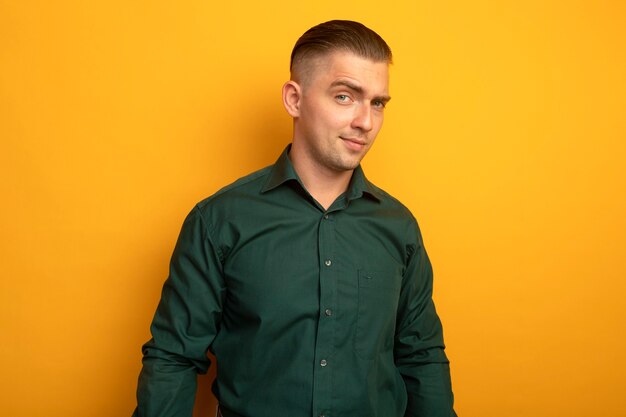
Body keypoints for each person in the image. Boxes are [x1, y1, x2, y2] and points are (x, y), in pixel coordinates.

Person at [133, 20, 457, 417]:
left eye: (377, 103)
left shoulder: (398, 226)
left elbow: (422, 357)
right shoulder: (218, 221)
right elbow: (173, 357)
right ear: (294, 99)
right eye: (344, 97)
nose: (366, 122)